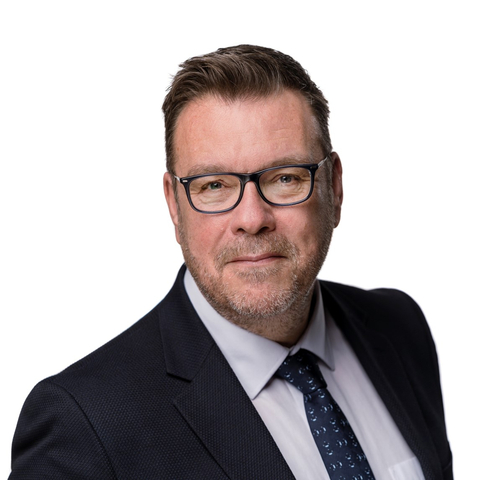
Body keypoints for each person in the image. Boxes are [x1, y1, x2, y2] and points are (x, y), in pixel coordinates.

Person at [9, 45, 452, 480]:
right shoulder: (85, 426)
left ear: (333, 188)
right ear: (174, 205)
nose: (252, 219)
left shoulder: (399, 329)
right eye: (214, 185)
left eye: (285, 178)